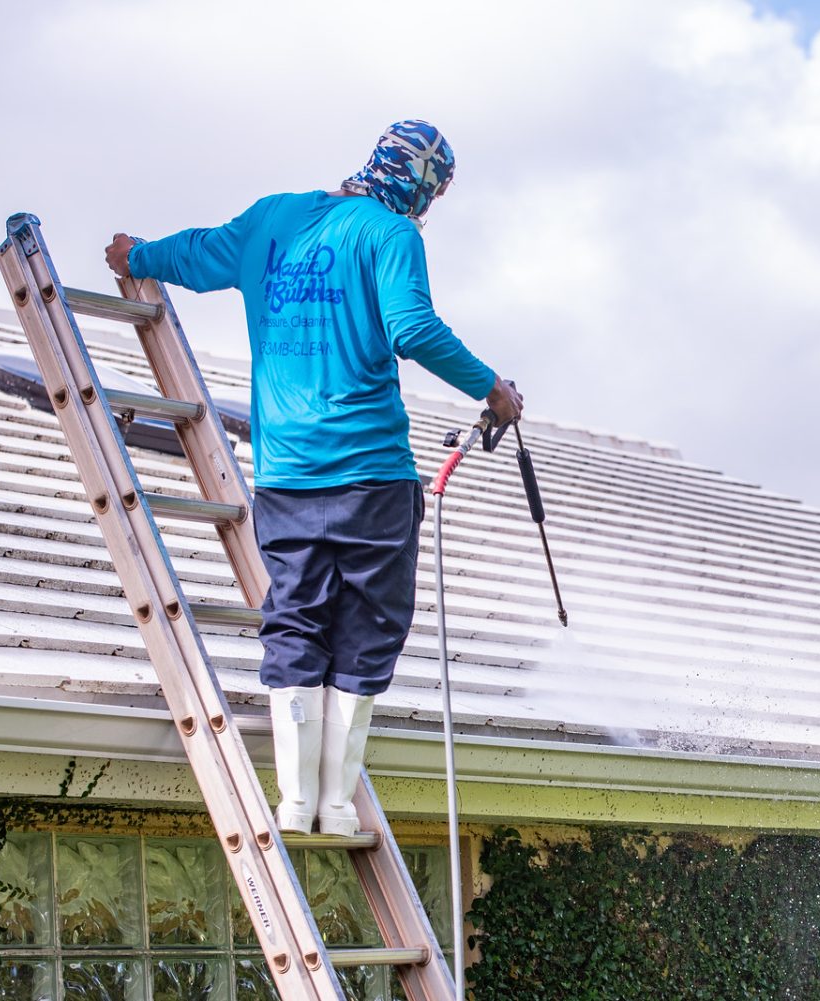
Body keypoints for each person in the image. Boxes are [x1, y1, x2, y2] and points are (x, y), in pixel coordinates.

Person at [105, 120, 522, 836]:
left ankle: (295, 803)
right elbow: (413, 330)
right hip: (371, 478)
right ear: (422, 185)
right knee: (370, 627)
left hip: (287, 476)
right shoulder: (391, 236)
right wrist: (493, 391)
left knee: (296, 618)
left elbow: (200, 254)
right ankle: (335, 802)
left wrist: (134, 253)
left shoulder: (274, 218)